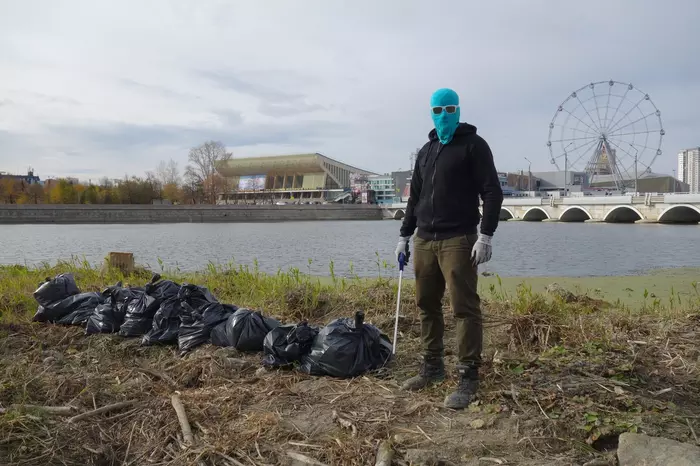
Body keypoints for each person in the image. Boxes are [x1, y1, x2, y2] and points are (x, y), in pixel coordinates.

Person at [395, 88, 503, 409]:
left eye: (450, 108)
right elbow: (414, 198)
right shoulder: (426, 151)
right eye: (438, 109)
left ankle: (468, 376)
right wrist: (404, 235)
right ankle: (432, 367)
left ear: (459, 109)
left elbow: (492, 192)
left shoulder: (473, 145)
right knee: (426, 304)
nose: (445, 114)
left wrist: (486, 235)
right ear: (431, 112)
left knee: (463, 307)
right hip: (424, 240)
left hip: (459, 239)